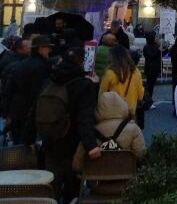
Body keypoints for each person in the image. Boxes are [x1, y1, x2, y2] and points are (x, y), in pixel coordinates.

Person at [42, 47, 101, 203]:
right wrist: (91, 144)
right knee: (71, 184)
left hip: (49, 137)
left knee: (51, 182)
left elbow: (36, 107)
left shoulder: (50, 81)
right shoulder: (83, 84)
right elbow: (85, 117)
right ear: (81, 62)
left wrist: (28, 136)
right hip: (71, 140)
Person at [73, 91, 146, 170]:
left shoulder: (90, 133)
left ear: (98, 109)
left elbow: (77, 165)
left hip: (98, 176)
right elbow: (140, 154)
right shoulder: (133, 129)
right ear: (122, 105)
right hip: (125, 173)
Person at [2, 35, 54, 144]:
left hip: (16, 111)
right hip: (30, 113)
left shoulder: (20, 65)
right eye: (48, 48)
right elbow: (39, 93)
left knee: (18, 143)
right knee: (28, 145)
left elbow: (8, 90)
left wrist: (8, 113)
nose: (49, 51)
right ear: (41, 49)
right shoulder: (42, 67)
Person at [99, 46, 145, 122]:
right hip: (130, 112)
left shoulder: (109, 73)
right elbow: (140, 96)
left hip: (113, 112)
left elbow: (102, 95)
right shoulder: (136, 72)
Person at [142, 32, 161, 106]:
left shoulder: (154, 45)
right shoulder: (147, 47)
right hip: (150, 68)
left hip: (155, 68)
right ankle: (147, 100)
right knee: (149, 85)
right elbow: (151, 56)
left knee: (151, 85)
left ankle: (149, 100)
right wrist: (158, 50)